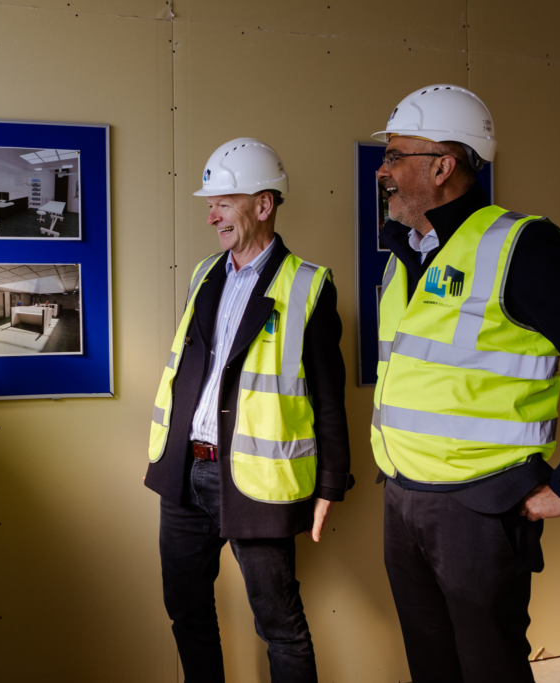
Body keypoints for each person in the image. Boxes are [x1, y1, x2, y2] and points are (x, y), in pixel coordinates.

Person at [371, 84, 560, 683]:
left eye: (395, 155)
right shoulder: (404, 256)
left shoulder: (520, 248)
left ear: (443, 166)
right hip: (403, 499)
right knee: (431, 667)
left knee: (488, 668)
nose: (383, 171)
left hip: (478, 509)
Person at [145, 137, 353, 682]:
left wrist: (331, 485)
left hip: (255, 478)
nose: (211, 216)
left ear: (263, 205)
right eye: (210, 204)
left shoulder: (308, 285)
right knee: (186, 609)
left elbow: (329, 396)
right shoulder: (203, 274)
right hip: (185, 470)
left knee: (279, 625)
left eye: (223, 203)